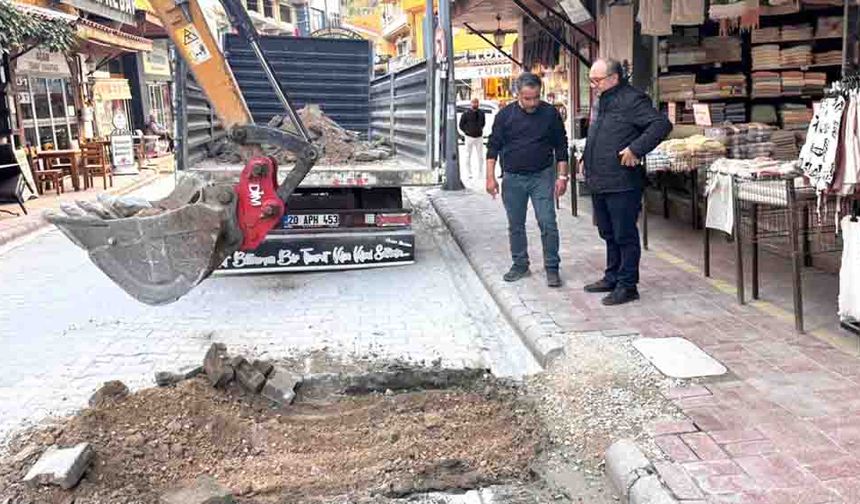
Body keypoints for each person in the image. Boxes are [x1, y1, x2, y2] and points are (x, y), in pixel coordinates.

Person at [581, 58, 672, 305]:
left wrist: (635, 149)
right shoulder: (602, 100)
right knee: (607, 232)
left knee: (624, 234)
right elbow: (599, 134)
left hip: (622, 181)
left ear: (613, 78)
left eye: (597, 80)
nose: (593, 85)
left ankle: (627, 285)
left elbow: (661, 124)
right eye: (591, 80)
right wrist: (585, 158)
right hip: (599, 178)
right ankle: (612, 276)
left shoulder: (632, 99)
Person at [486, 72, 569, 288]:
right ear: (517, 95)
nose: (532, 103)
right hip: (513, 178)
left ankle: (552, 267)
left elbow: (561, 146)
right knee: (516, 224)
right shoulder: (505, 116)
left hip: (542, 175)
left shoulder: (550, 114)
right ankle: (520, 264)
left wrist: (562, 176)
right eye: (527, 98)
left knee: (547, 221)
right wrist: (490, 178)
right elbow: (493, 147)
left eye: (536, 97)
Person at [459, 98, 486, 179]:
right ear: (471, 104)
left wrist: (479, 129)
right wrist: (467, 131)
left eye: (476, 103)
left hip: (479, 137)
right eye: (473, 103)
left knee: (480, 156)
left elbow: (483, 123)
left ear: (478, 103)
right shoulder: (466, 113)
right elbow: (461, 125)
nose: (475, 104)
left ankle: (480, 173)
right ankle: (469, 173)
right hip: (469, 137)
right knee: (468, 155)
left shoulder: (481, 113)